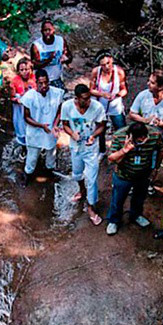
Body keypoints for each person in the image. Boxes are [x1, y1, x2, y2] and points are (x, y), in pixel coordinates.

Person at [105, 122, 163, 235]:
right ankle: (114, 220)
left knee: (139, 197)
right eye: (139, 140)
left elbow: (161, 149)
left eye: (145, 138)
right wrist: (124, 150)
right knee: (118, 199)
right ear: (131, 136)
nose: (143, 140)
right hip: (123, 175)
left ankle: (136, 215)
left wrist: (156, 168)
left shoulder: (155, 134)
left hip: (144, 174)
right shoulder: (119, 136)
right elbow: (111, 158)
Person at [61, 84, 106, 226]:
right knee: (77, 174)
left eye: (89, 98)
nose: (87, 101)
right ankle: (82, 191)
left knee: (92, 179)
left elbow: (102, 125)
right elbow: (65, 124)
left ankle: (91, 207)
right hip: (76, 147)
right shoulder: (67, 106)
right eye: (84, 99)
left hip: (91, 148)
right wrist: (72, 133)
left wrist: (93, 136)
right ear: (77, 98)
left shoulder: (97, 107)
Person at [21, 69, 65, 185]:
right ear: (36, 83)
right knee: (32, 156)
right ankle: (27, 174)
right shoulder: (29, 97)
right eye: (41, 83)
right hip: (35, 132)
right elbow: (26, 117)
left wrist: (55, 125)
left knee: (51, 153)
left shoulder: (57, 93)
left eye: (46, 82)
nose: (44, 86)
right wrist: (40, 125)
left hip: (50, 130)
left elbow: (60, 112)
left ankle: (50, 171)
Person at [89, 51, 128, 153]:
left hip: (115, 105)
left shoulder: (119, 72)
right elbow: (91, 90)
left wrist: (117, 95)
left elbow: (124, 90)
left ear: (112, 60)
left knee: (121, 129)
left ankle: (122, 151)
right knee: (100, 130)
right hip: (100, 104)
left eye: (108, 63)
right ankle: (101, 151)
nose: (106, 67)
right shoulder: (95, 72)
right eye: (103, 65)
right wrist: (102, 94)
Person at [128, 69, 163, 135]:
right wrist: (144, 120)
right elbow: (132, 114)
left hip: (161, 137)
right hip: (142, 135)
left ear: (161, 87)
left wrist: (162, 124)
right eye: (148, 81)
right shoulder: (143, 95)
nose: (148, 84)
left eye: (152, 83)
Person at [30, 19, 71, 89]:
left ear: (54, 30)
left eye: (49, 30)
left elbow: (69, 56)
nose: (47, 32)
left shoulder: (60, 41)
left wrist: (66, 59)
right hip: (42, 81)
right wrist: (49, 59)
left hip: (57, 78)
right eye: (45, 30)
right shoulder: (36, 45)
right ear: (41, 31)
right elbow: (35, 65)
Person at [10, 58, 36, 157]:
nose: (24, 72)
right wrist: (19, 100)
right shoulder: (15, 81)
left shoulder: (35, 78)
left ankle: (36, 147)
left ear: (31, 69)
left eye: (27, 69)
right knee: (22, 128)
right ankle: (24, 148)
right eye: (22, 70)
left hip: (33, 108)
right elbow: (12, 97)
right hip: (20, 110)